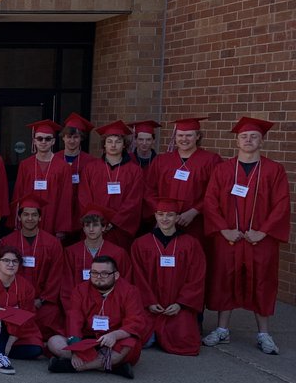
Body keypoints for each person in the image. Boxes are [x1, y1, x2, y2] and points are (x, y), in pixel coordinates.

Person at [202, 117, 290, 355]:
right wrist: (223, 229)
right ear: (237, 141)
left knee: (262, 281)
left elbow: (281, 204)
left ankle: (264, 334)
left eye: (253, 136)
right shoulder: (223, 169)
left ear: (262, 141)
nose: (248, 140)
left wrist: (263, 232)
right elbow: (210, 201)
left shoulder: (274, 170)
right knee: (224, 279)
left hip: (260, 240)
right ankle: (222, 330)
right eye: (244, 136)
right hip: (228, 238)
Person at [47, 254, 149, 379]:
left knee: (128, 344)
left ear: (116, 275)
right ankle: (111, 367)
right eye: (94, 273)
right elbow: (74, 319)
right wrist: (76, 350)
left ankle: (75, 366)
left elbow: (135, 321)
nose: (98, 277)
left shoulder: (130, 291)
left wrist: (114, 335)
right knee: (54, 341)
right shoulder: (80, 290)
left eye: (104, 273)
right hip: (86, 339)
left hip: (113, 341)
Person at [130, 198, 207, 356]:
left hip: (178, 308)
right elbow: (137, 277)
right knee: (141, 339)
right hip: (150, 308)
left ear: (177, 217)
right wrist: (149, 302)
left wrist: (180, 304)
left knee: (185, 343)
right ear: (155, 216)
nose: (165, 218)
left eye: (170, 215)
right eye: (161, 214)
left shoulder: (191, 244)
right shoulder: (141, 244)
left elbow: (196, 278)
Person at [144, 117, 222, 246]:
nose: (184, 139)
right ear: (175, 137)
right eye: (180, 135)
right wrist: (162, 213)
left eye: (189, 135)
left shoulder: (211, 160)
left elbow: (215, 192)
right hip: (164, 222)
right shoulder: (161, 160)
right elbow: (149, 189)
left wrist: (195, 211)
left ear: (197, 136)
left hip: (195, 222)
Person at [5, 193, 66, 338]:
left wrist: (42, 299)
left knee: (50, 315)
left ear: (40, 218)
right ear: (19, 217)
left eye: (34, 215)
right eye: (26, 214)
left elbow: (56, 275)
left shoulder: (52, 243)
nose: (30, 218)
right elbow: (3, 274)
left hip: (42, 302)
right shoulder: (8, 242)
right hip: (14, 300)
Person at [79, 120, 143, 248]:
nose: (113, 145)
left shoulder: (134, 171)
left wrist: (114, 222)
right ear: (104, 144)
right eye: (109, 141)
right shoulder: (90, 168)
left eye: (118, 142)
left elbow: (133, 201)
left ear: (124, 145)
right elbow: (84, 197)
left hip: (120, 229)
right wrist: (97, 220)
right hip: (94, 226)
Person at [11, 119, 73, 238]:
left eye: (48, 139)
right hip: (29, 219)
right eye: (39, 138)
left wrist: (61, 227)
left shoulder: (63, 167)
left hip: (53, 216)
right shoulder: (25, 165)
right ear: (34, 141)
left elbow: (65, 199)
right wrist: (17, 222)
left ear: (53, 141)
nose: (43, 142)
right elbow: (18, 194)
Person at [61, 204, 128, 310]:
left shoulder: (118, 253)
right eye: (87, 225)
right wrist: (74, 312)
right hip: (79, 308)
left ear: (104, 227)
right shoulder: (71, 252)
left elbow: (123, 285)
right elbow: (66, 287)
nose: (91, 229)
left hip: (111, 309)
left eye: (96, 225)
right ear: (83, 228)